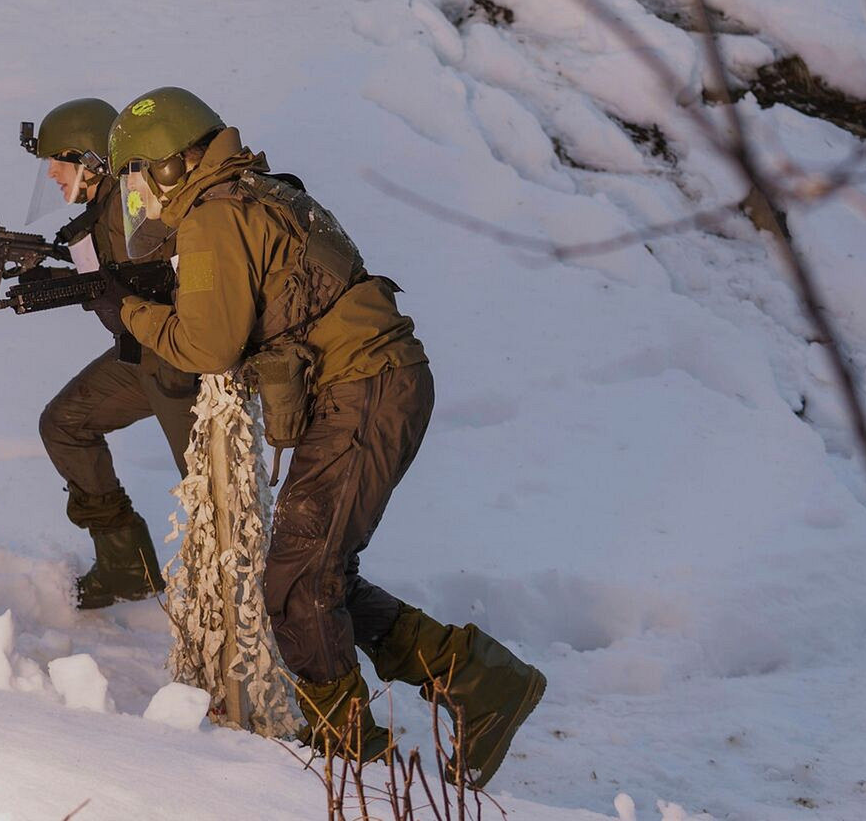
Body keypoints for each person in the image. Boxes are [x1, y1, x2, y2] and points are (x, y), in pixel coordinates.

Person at [98, 85, 544, 787]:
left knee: (299, 580)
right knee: (315, 576)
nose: (138, 200)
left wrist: (126, 310)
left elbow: (207, 345)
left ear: (169, 167)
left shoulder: (216, 217)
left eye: (136, 179)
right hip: (371, 384)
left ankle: (348, 762)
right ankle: (479, 682)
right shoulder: (250, 193)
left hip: (365, 388)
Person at [22, 98, 202, 611]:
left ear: (95, 160)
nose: (53, 172)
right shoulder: (103, 213)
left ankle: (246, 608)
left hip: (180, 363)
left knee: (212, 489)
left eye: (61, 159)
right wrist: (44, 279)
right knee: (64, 423)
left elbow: (153, 280)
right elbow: (113, 284)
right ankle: (128, 567)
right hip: (140, 356)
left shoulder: (137, 204)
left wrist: (78, 279)